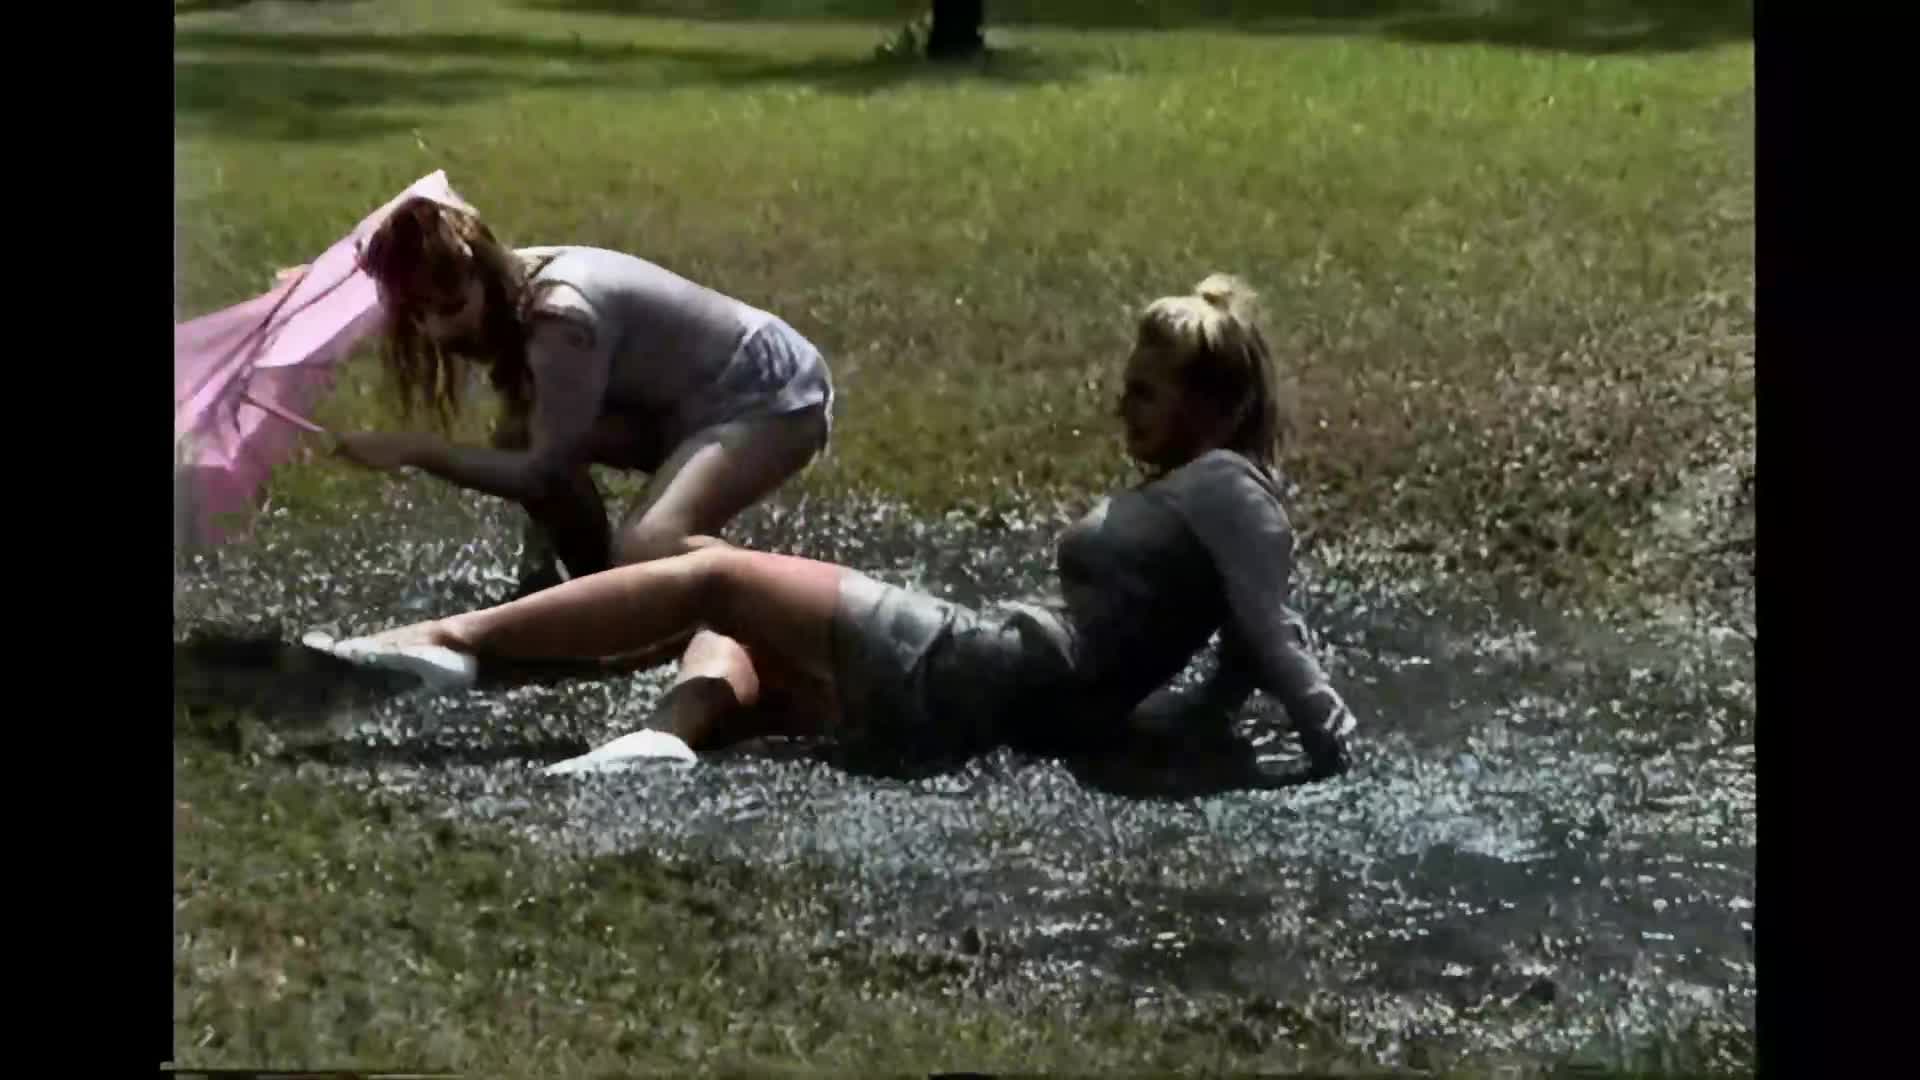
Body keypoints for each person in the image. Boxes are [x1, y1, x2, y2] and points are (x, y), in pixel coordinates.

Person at [310, 274, 1358, 784]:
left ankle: (449, 645)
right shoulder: (1212, 491)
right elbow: (1237, 653)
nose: (1120, 407)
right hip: (1000, 699)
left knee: (715, 576)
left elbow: (1272, 636)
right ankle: (665, 740)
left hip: (987, 667)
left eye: (1146, 393)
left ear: (1216, 407)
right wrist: (1180, 723)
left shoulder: (1231, 489)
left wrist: (1329, 739)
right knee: (742, 628)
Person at [314, 195, 835, 599]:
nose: (436, 331)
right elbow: (541, 455)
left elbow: (539, 474)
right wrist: (536, 571)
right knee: (520, 434)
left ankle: (811, 604)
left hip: (769, 393)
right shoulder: (512, 286)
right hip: (686, 405)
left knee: (648, 546)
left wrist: (414, 450)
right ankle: (600, 595)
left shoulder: (559, 319)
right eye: (417, 316)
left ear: (482, 269)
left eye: (449, 308)